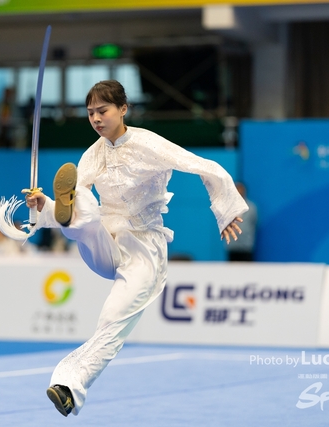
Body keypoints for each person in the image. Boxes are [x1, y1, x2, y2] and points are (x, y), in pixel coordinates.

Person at [23, 80, 247, 417]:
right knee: (82, 204)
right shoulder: (91, 155)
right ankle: (67, 213)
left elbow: (201, 165)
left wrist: (226, 210)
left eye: (103, 111)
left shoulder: (148, 144)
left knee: (112, 318)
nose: (96, 119)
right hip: (104, 239)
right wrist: (45, 206)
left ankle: (68, 387)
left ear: (123, 109)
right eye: (90, 113)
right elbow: (78, 199)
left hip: (143, 247)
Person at [226, 182, 258, 261]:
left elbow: (254, 223)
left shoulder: (251, 208)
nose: (239, 192)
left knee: (246, 271)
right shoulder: (229, 207)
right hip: (233, 245)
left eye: (241, 190)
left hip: (246, 246)